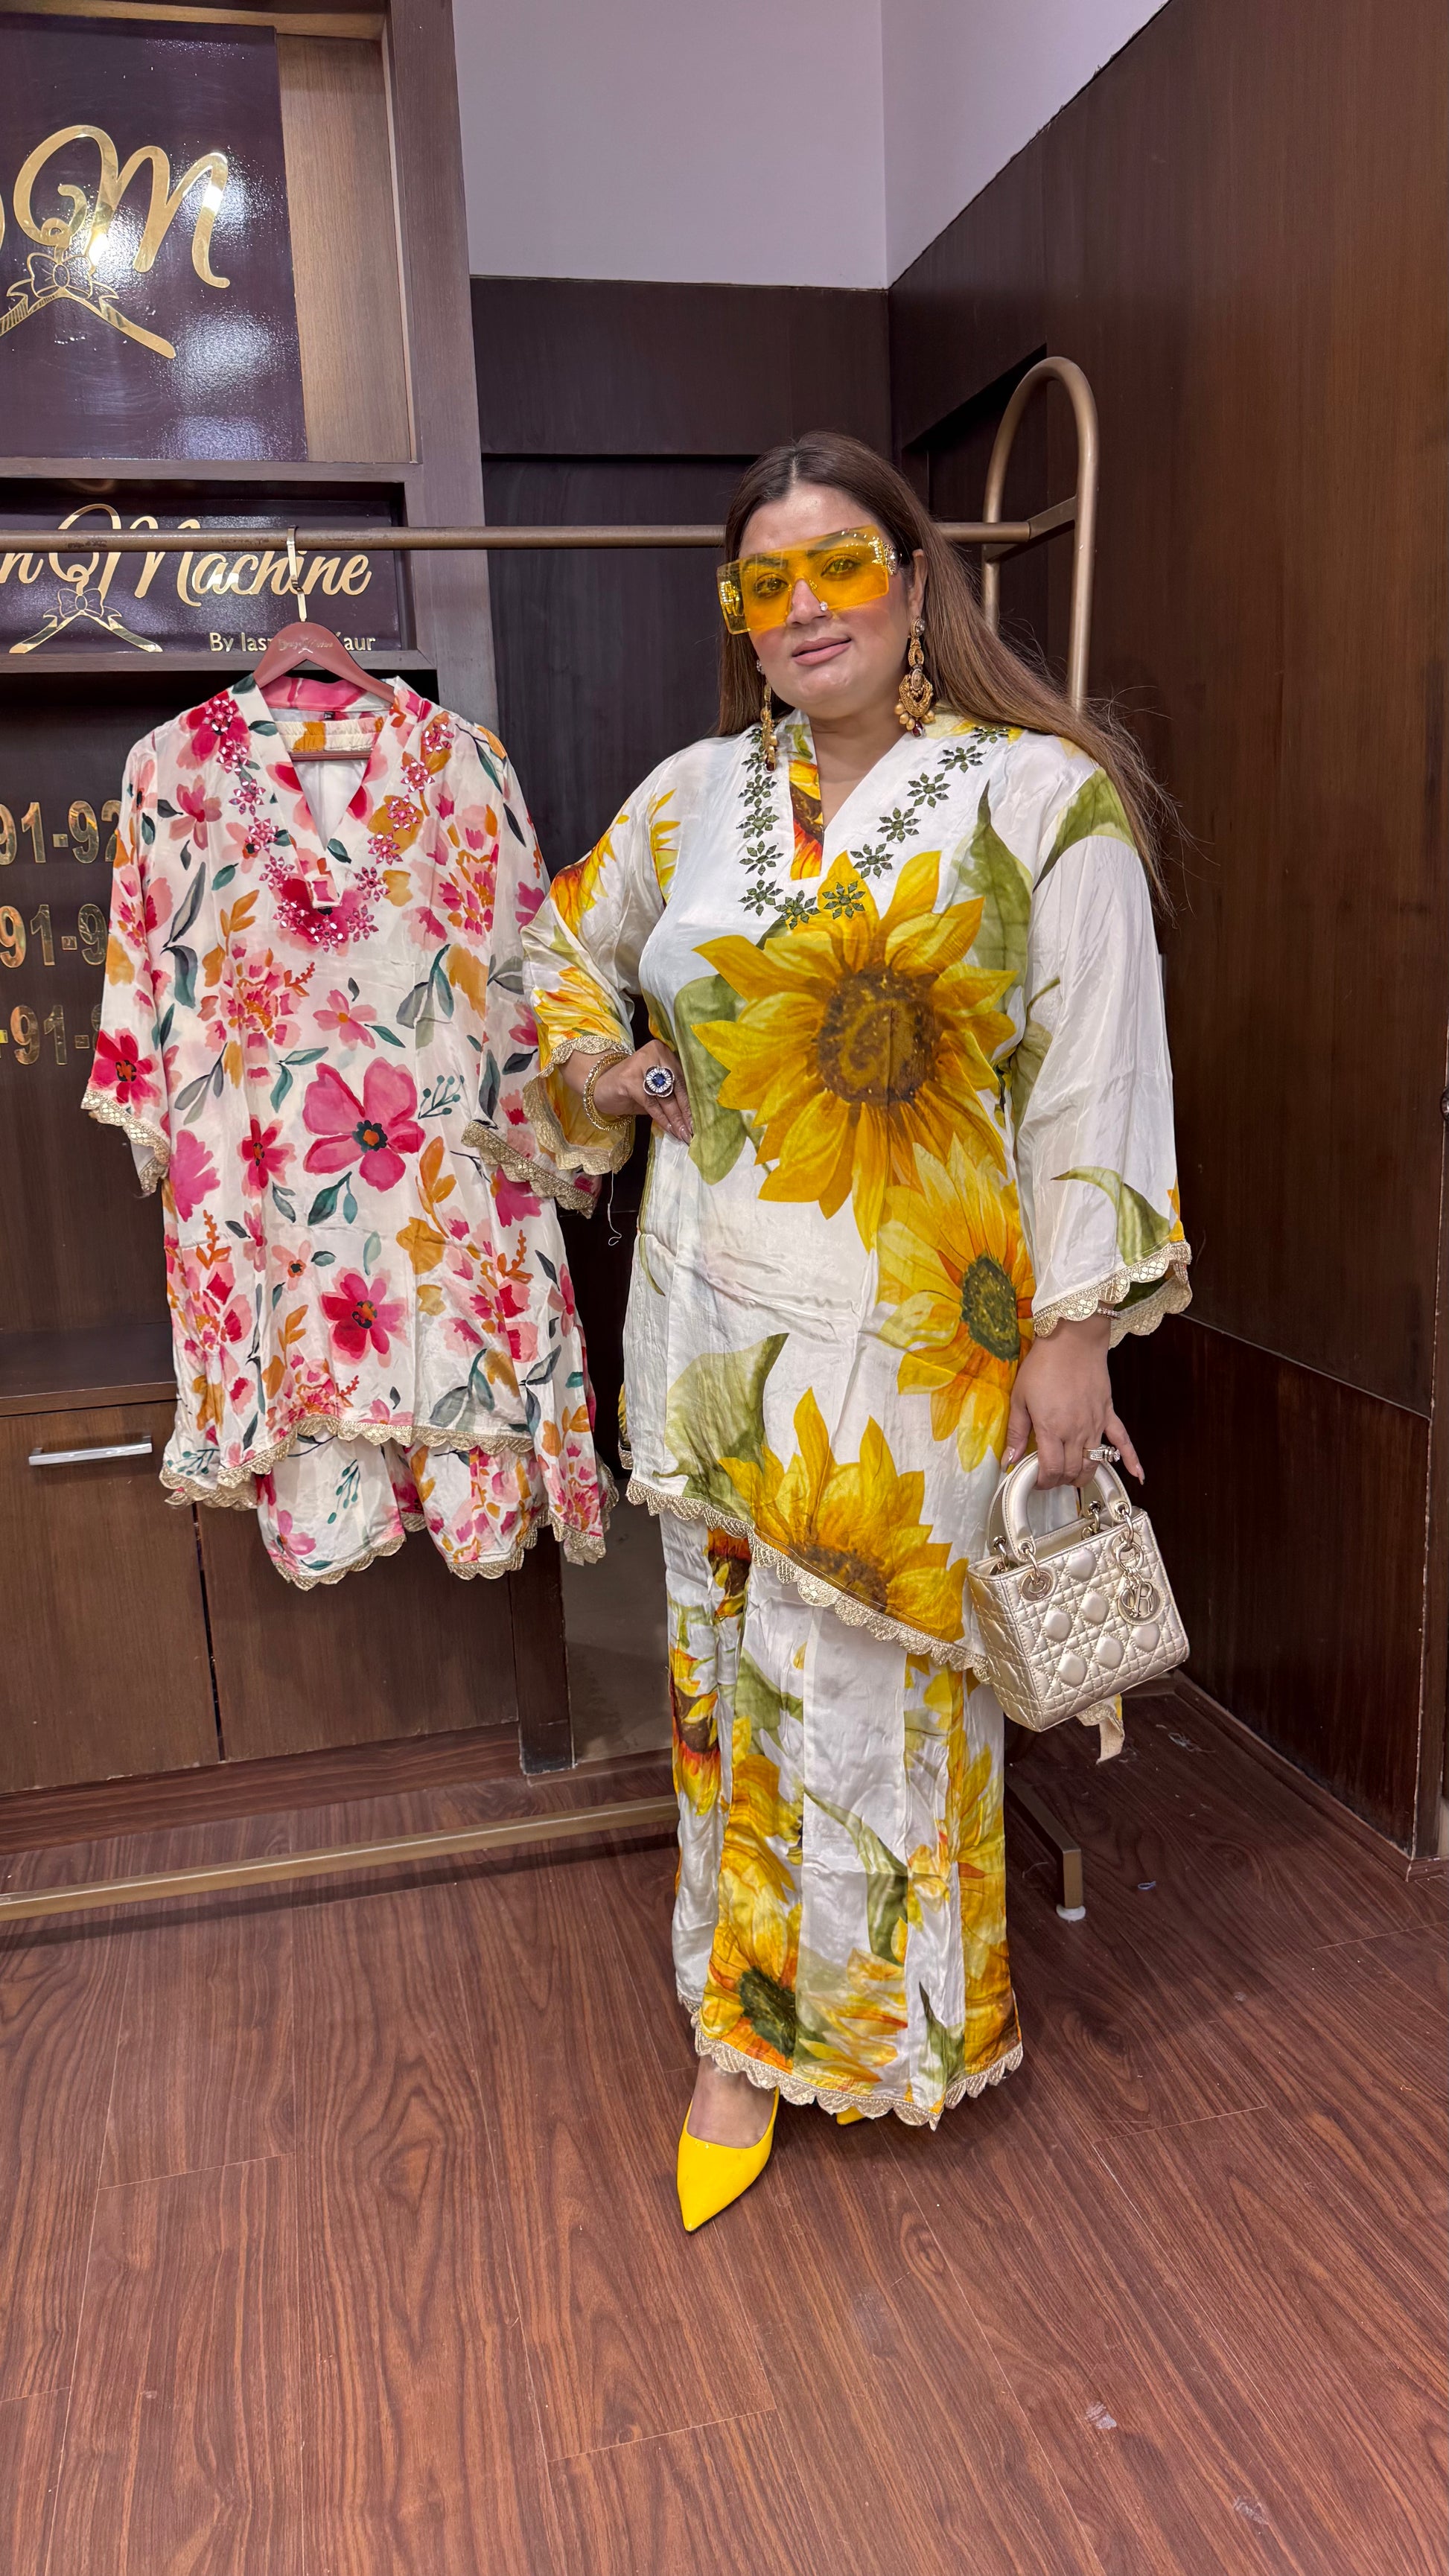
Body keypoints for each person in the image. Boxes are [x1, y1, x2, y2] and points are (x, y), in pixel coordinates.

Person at [520, 432, 1190, 2231]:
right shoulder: (688, 799)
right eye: (767, 579)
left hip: (921, 1349)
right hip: (710, 1331)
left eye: (839, 565)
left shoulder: (1038, 797)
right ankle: (737, 2035)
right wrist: (605, 1067)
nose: (804, 607)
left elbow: (1096, 1071)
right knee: (727, 1686)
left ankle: (889, 2030)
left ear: (910, 578)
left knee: (883, 1693)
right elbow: (553, 951)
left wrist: (1076, 1329)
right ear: (736, 612)